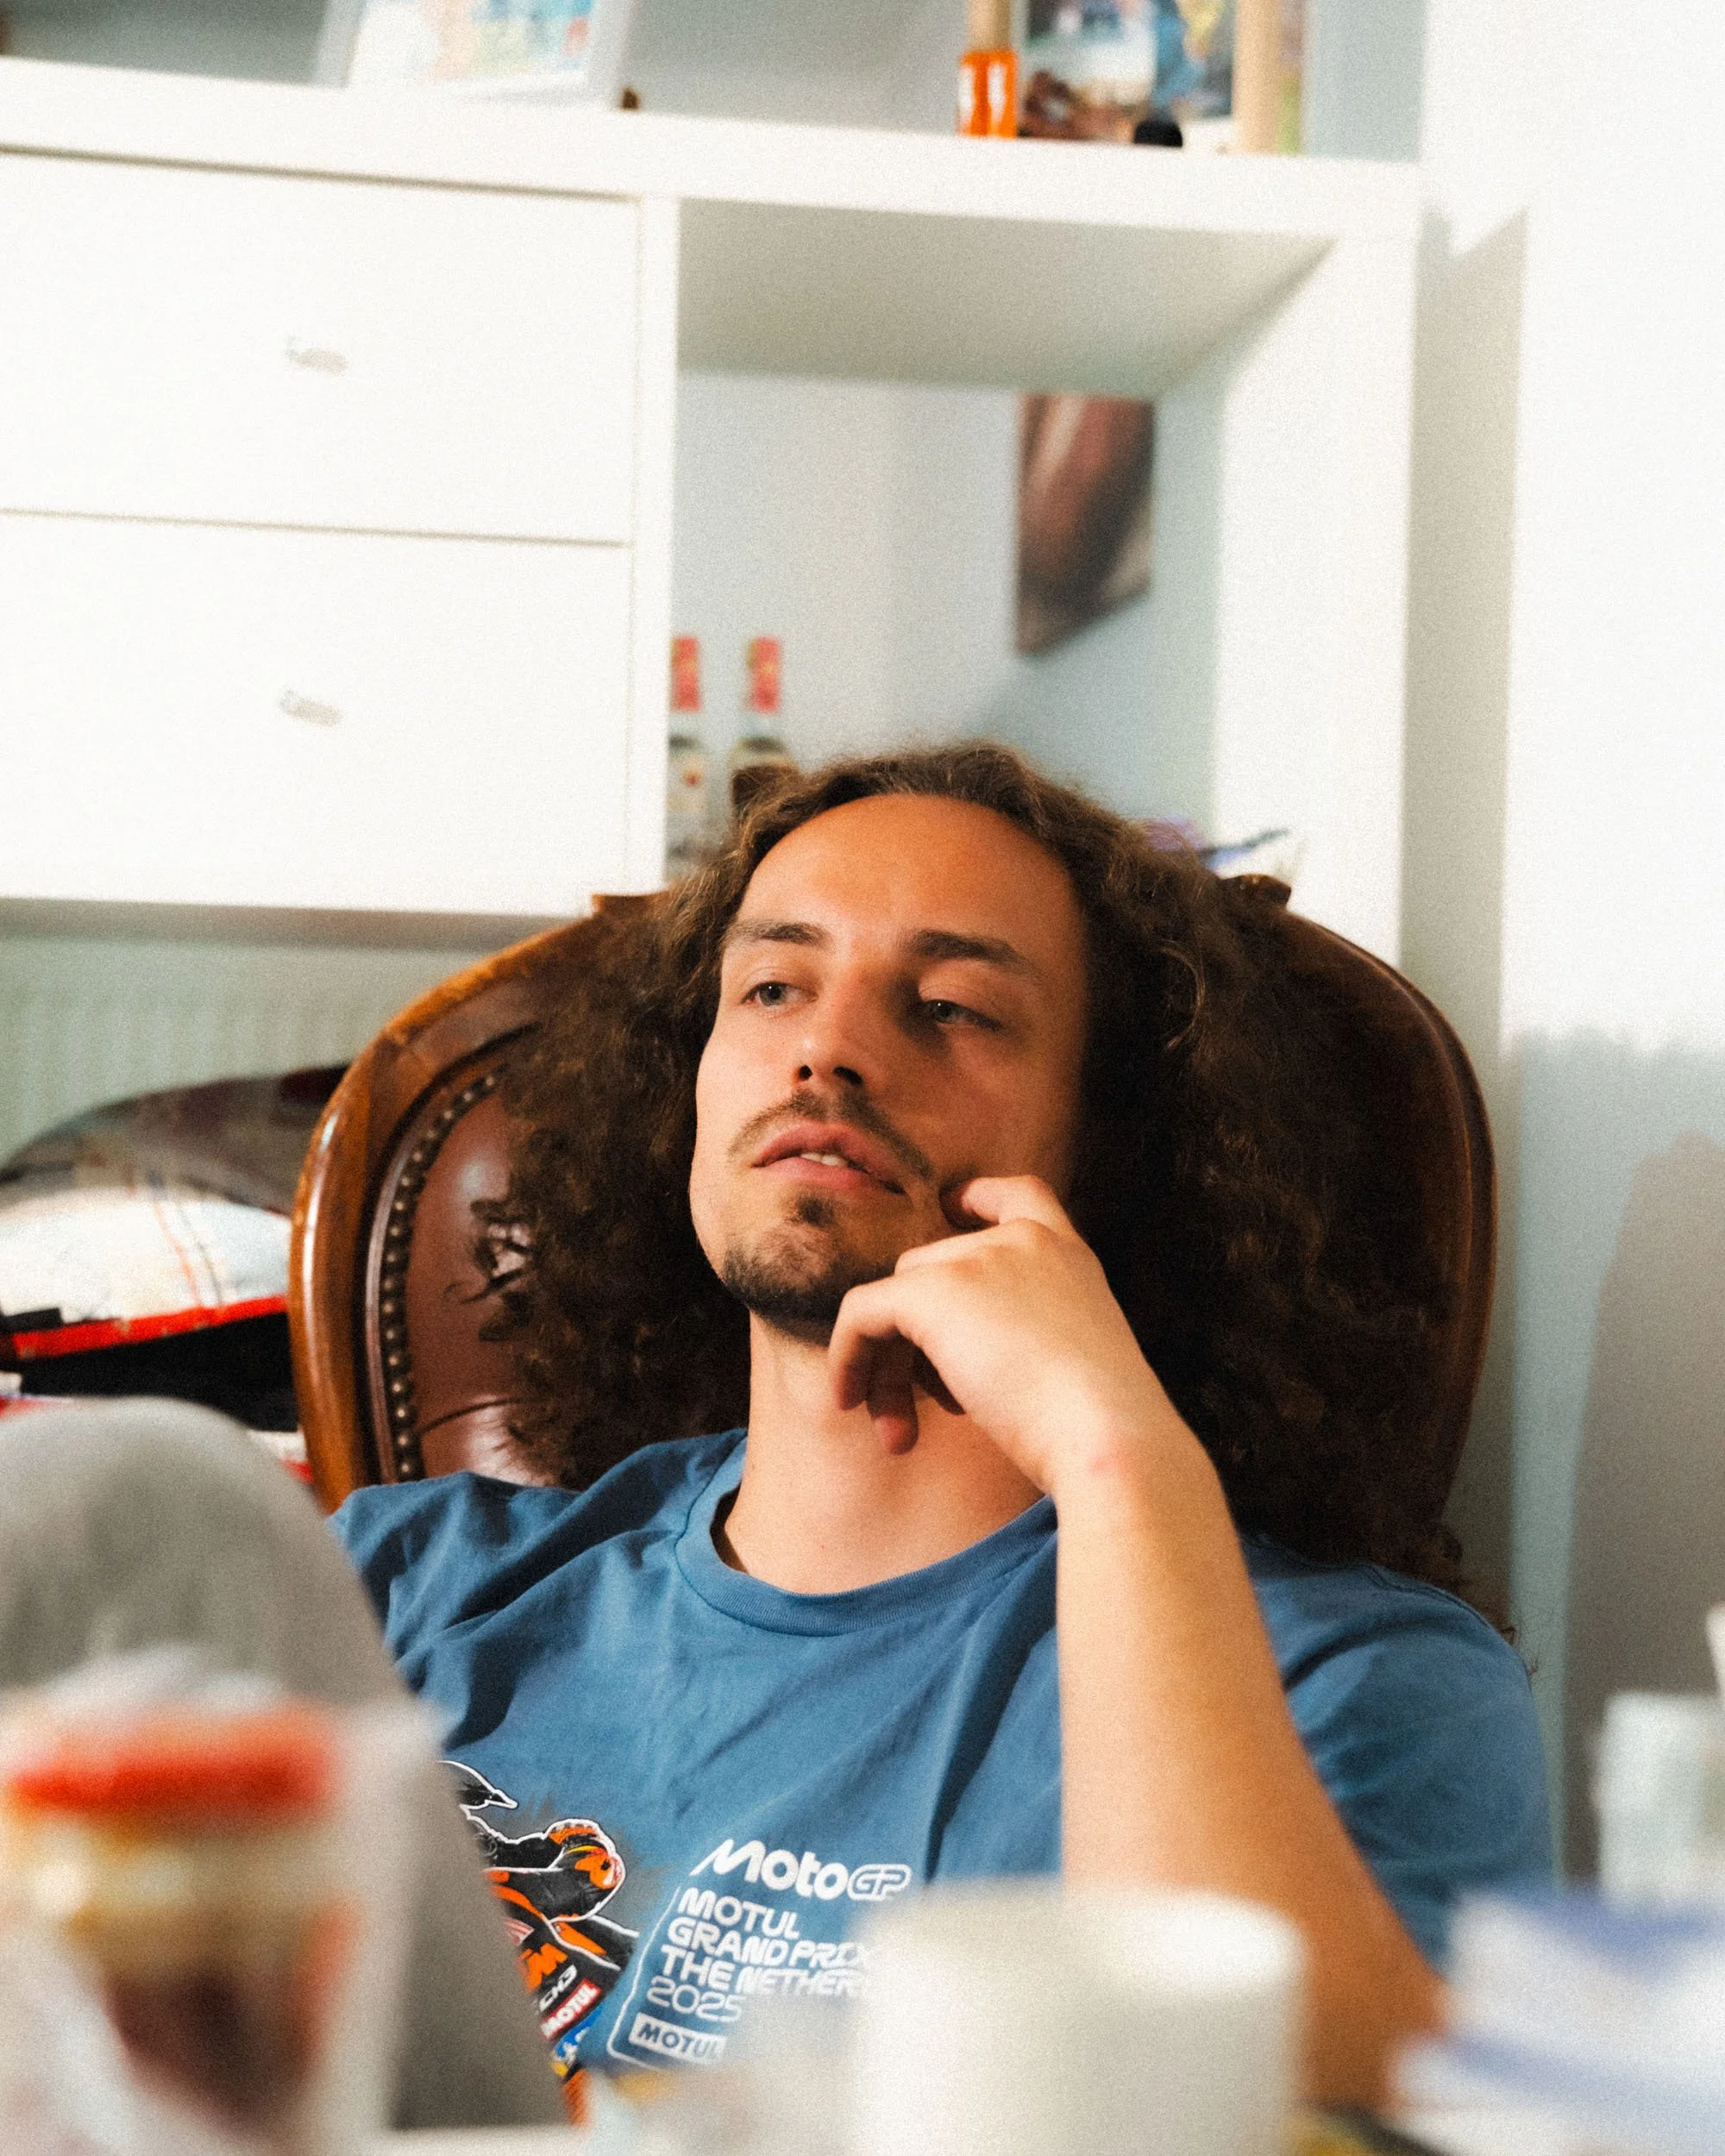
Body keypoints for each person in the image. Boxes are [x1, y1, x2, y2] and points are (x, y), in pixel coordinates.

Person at [334, 743, 1551, 2112]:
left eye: (955, 1008)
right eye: (774, 985)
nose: (828, 1045)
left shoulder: (1360, 1685)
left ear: (1113, 1141)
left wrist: (1116, 1454)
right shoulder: (397, 1584)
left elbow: (1291, 2116)